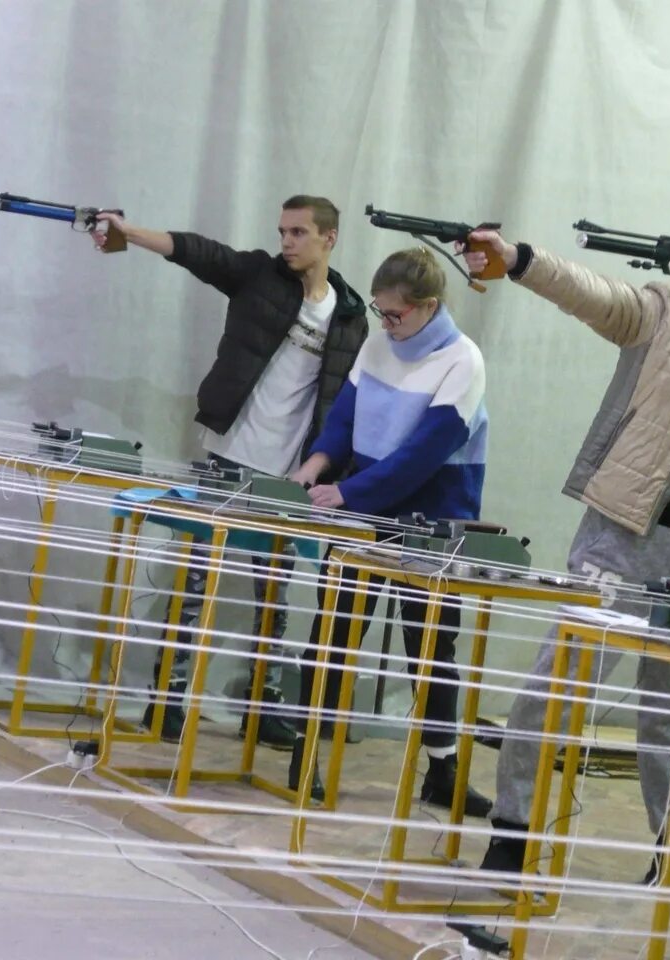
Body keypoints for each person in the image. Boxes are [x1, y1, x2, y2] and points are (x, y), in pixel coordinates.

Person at [459, 224, 670, 893]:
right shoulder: (664, 312)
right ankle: (513, 831)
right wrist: (523, 259)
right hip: (624, 533)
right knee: (559, 686)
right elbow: (590, 293)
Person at [91, 197, 368, 747]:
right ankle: (166, 701)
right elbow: (197, 252)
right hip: (229, 454)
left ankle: (262, 707)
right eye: (282, 231)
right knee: (196, 584)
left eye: (298, 232)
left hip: (289, 476)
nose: (287, 241)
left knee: (275, 594)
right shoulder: (258, 276)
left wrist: (321, 469)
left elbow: (344, 401)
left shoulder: (351, 315)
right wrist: (130, 232)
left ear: (329, 238)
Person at [287, 247, 492, 815]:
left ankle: (443, 770)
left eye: (396, 315)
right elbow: (345, 417)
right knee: (332, 634)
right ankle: (306, 754)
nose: (386, 325)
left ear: (428, 307)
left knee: (430, 650)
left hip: (428, 518)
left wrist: (346, 492)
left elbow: (421, 457)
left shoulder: (463, 361)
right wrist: (317, 463)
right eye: (380, 313)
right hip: (364, 504)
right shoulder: (379, 343)